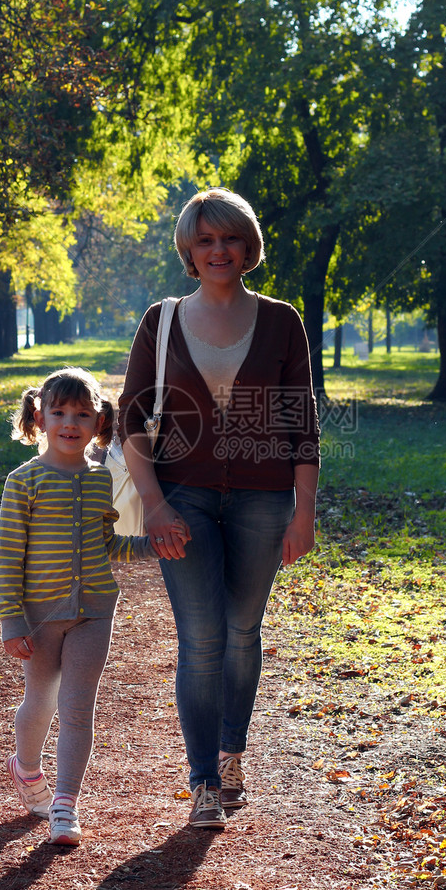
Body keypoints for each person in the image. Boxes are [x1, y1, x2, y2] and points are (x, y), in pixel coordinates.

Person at [118, 188, 320, 830]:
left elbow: (300, 421)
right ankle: (203, 778)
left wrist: (305, 509)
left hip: (265, 499)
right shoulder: (163, 320)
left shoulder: (284, 321)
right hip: (183, 499)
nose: (217, 250)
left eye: (229, 238)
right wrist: (153, 505)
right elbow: (131, 417)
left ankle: (233, 752)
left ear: (248, 246)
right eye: (204, 240)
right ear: (188, 250)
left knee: (242, 632)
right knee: (202, 640)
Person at [0, 367, 181, 846]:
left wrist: (151, 546)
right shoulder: (24, 482)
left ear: (100, 422)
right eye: (59, 412)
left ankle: (64, 805)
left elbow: (108, 545)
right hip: (40, 617)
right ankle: (28, 767)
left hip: (95, 610)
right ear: (40, 417)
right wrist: (12, 621)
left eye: (82, 413)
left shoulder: (102, 481)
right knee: (41, 700)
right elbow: (7, 558)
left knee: (78, 706)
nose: (69, 422)